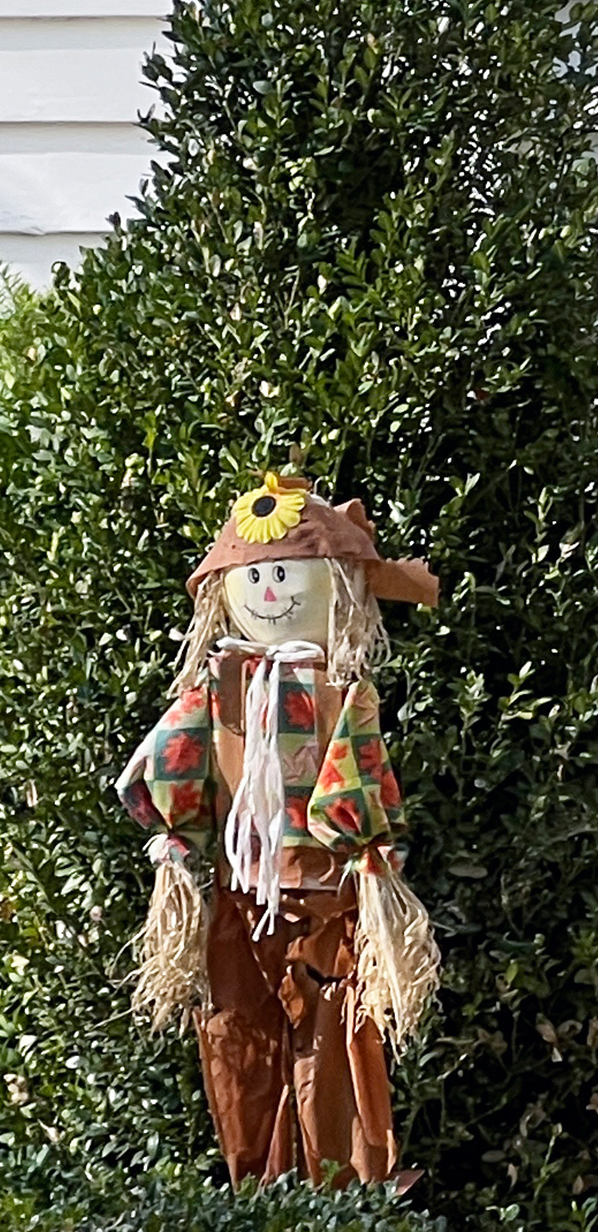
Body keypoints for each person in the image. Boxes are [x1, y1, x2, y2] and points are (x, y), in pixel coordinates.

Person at [118, 472, 442, 1183]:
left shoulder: (340, 690)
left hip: (327, 902)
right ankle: (261, 1187)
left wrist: (363, 851)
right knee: (239, 1036)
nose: (268, 590)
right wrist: (176, 842)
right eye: (254, 575)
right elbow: (170, 764)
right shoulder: (220, 687)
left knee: (336, 1039)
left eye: (284, 573)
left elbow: (357, 775)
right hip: (238, 895)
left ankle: (345, 1190)